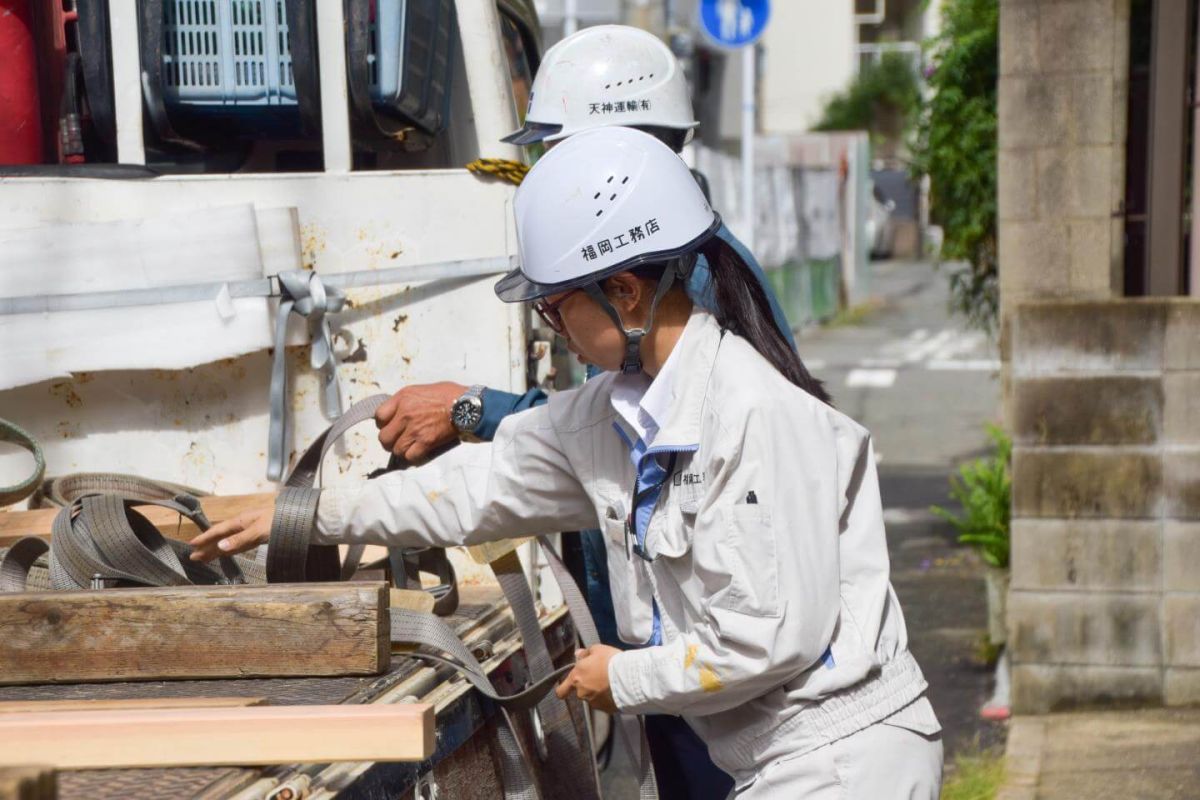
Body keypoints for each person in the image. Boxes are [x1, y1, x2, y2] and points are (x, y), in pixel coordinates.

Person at [192, 128, 944, 799]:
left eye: (553, 307)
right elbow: (469, 491)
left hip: (843, 762)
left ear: (622, 291)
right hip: (781, 762)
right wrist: (308, 515)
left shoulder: (753, 416)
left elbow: (769, 637)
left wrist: (623, 676)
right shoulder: (617, 414)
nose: (550, 327)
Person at [375, 27, 788, 797]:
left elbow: (630, 437)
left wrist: (473, 411)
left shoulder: (681, 279)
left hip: (714, 669)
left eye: (558, 154)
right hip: (687, 657)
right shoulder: (686, 255)